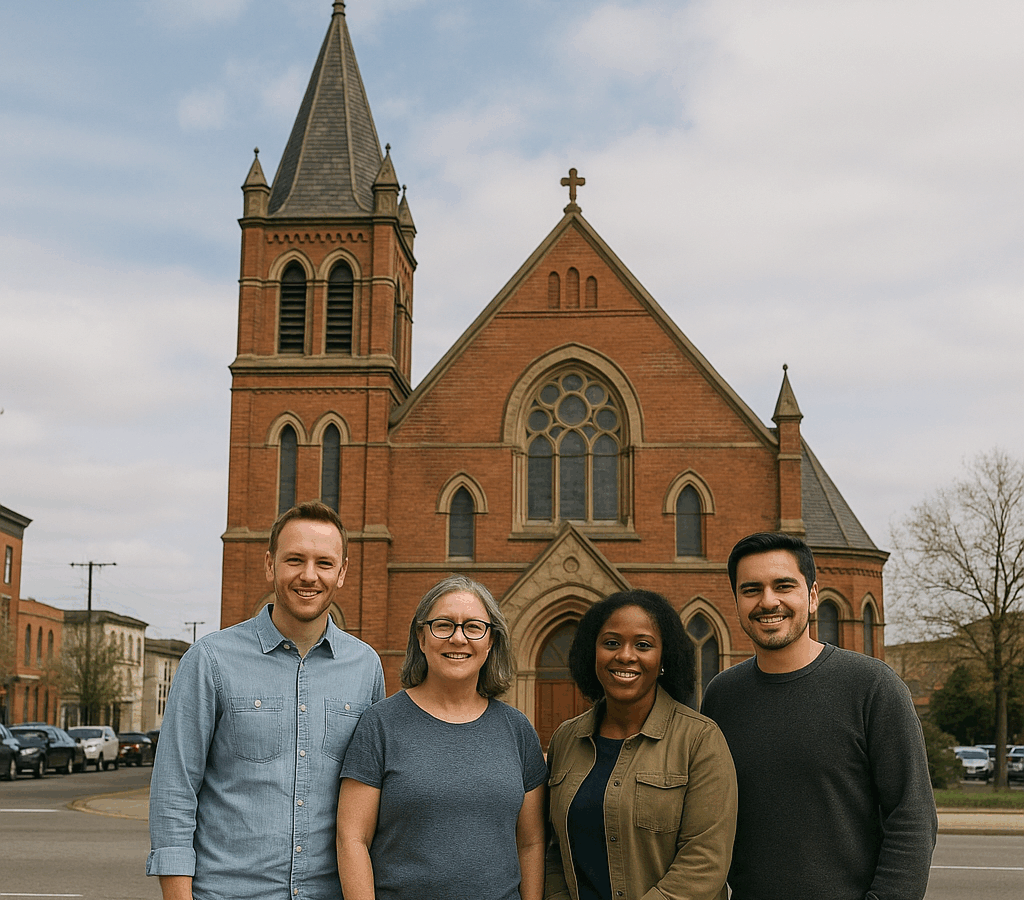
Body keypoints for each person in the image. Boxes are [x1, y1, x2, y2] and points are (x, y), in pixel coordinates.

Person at [147, 500, 385, 900]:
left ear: (342, 572)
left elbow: (372, 799)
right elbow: (174, 791)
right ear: (270, 564)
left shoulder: (366, 667)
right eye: (295, 560)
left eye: (324, 563)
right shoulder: (210, 660)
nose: (309, 575)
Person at [701, 532, 937, 900]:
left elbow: (912, 816)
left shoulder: (873, 686)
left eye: (783, 586)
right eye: (751, 590)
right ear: (736, 602)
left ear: (812, 597)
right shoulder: (722, 695)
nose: (768, 601)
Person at [337, 574, 547, 900]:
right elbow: (352, 838)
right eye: (443, 625)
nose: (458, 638)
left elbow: (531, 843)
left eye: (473, 627)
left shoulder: (517, 729)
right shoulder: (380, 724)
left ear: (491, 641)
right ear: (421, 638)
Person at [545, 589, 738, 900]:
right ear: (592, 653)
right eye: (611, 643)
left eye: (643, 645)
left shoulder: (700, 740)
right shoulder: (566, 740)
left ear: (663, 659)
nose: (625, 655)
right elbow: (555, 851)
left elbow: (705, 861)